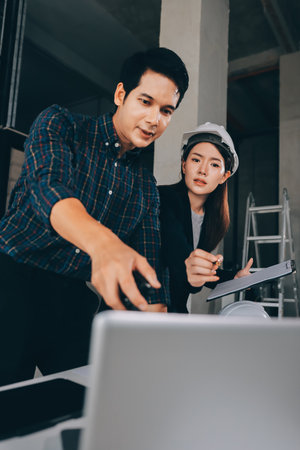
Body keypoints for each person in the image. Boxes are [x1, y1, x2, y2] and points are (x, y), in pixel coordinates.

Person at [0, 47, 189, 386]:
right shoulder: (61, 124)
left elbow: (149, 265)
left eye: (166, 110)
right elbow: (48, 188)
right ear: (121, 94)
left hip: (71, 295)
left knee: (95, 391)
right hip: (11, 277)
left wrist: (157, 318)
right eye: (145, 102)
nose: (154, 119)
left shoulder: (145, 185)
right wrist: (104, 245)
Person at [158, 122, 252, 313]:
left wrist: (234, 277)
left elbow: (199, 266)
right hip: (142, 310)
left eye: (214, 164)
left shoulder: (215, 221)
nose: (203, 170)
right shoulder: (162, 199)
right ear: (184, 165)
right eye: (196, 160)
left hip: (175, 311)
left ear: (224, 176)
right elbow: (181, 260)